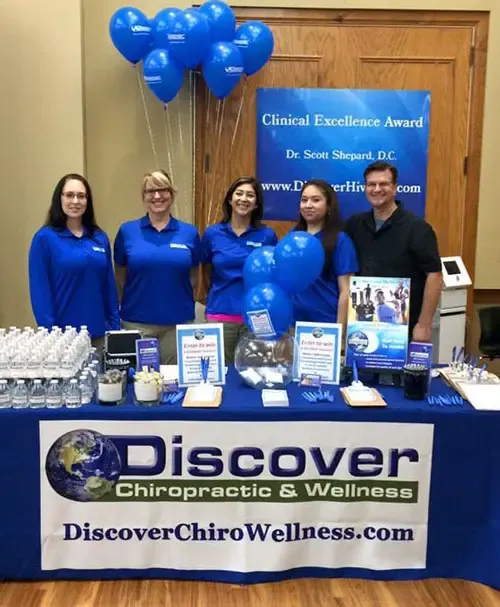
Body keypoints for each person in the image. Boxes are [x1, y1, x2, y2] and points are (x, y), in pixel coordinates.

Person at [345, 161, 442, 343]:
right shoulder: (353, 226)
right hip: (361, 327)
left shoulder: (418, 228)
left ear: (395, 188)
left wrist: (424, 324)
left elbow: (434, 275)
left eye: (384, 184)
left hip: (404, 329)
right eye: (371, 184)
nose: (377, 189)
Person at [114, 170, 201, 364]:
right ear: (143, 196)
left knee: (175, 386)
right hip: (136, 324)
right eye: (150, 191)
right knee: (140, 385)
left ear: (172, 194)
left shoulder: (189, 232)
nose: (157, 196)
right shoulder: (127, 232)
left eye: (163, 190)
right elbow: (120, 276)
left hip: (177, 323)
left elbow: (194, 276)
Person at [29, 173, 119, 348]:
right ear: (59, 199)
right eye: (69, 195)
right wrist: (52, 336)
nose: (75, 201)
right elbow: (41, 294)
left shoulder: (99, 238)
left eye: (81, 196)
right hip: (64, 341)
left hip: (100, 336)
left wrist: (114, 329)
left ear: (88, 201)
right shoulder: (44, 239)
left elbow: (109, 288)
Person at [201, 177, 277, 364]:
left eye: (250, 195)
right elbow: (205, 270)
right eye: (239, 193)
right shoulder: (213, 234)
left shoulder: (267, 236)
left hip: (256, 317)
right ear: (230, 199)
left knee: (256, 375)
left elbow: (273, 276)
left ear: (256, 204)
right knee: (220, 376)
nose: (244, 199)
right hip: (221, 315)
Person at [292, 179, 359, 330]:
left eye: (316, 200)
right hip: (294, 324)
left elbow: (346, 291)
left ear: (329, 206)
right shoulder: (293, 237)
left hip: (326, 325)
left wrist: (340, 332)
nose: (308, 205)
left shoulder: (340, 240)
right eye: (304, 200)